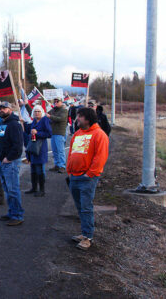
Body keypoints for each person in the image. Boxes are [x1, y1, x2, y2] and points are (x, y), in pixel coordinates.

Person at [67, 107, 109, 251]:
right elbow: (72, 152)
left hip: (87, 178)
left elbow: (100, 157)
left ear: (88, 119)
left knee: (86, 207)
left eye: (80, 116)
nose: (77, 119)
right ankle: (84, 233)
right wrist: (69, 170)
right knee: (80, 207)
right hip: (74, 176)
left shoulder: (99, 134)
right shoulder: (77, 134)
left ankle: (88, 237)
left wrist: (90, 174)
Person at [0, 102, 25, 226]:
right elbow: (0, 143)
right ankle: (12, 212)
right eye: (0, 108)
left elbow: (18, 145)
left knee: (13, 190)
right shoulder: (2, 124)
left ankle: (17, 215)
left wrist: (9, 158)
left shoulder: (14, 124)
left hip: (10, 162)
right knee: (7, 189)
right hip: (1, 161)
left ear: (10, 110)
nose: (1, 110)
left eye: (4, 108)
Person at [24, 105, 52, 197]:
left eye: (38, 111)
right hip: (33, 147)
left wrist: (38, 133)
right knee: (33, 169)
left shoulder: (45, 120)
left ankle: (42, 190)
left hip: (40, 148)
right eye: (35, 111)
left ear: (42, 112)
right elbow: (29, 131)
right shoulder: (34, 121)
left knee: (39, 169)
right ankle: (34, 187)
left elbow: (49, 133)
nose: (37, 113)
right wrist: (23, 123)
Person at [47, 98, 69, 173]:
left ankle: (62, 166)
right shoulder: (53, 110)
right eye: (55, 101)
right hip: (53, 133)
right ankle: (57, 165)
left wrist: (50, 117)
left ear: (61, 102)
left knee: (60, 150)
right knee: (55, 150)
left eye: (57, 101)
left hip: (60, 133)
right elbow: (45, 115)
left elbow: (61, 119)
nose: (56, 102)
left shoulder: (64, 110)